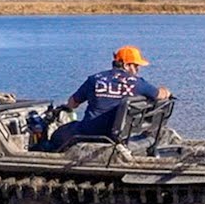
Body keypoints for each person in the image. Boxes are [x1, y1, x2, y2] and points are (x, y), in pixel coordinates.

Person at [41, 45, 172, 150]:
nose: (138, 69)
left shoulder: (94, 79)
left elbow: (73, 103)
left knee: (55, 136)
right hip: (117, 134)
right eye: (136, 66)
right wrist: (166, 90)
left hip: (88, 132)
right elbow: (160, 95)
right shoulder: (137, 83)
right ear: (126, 65)